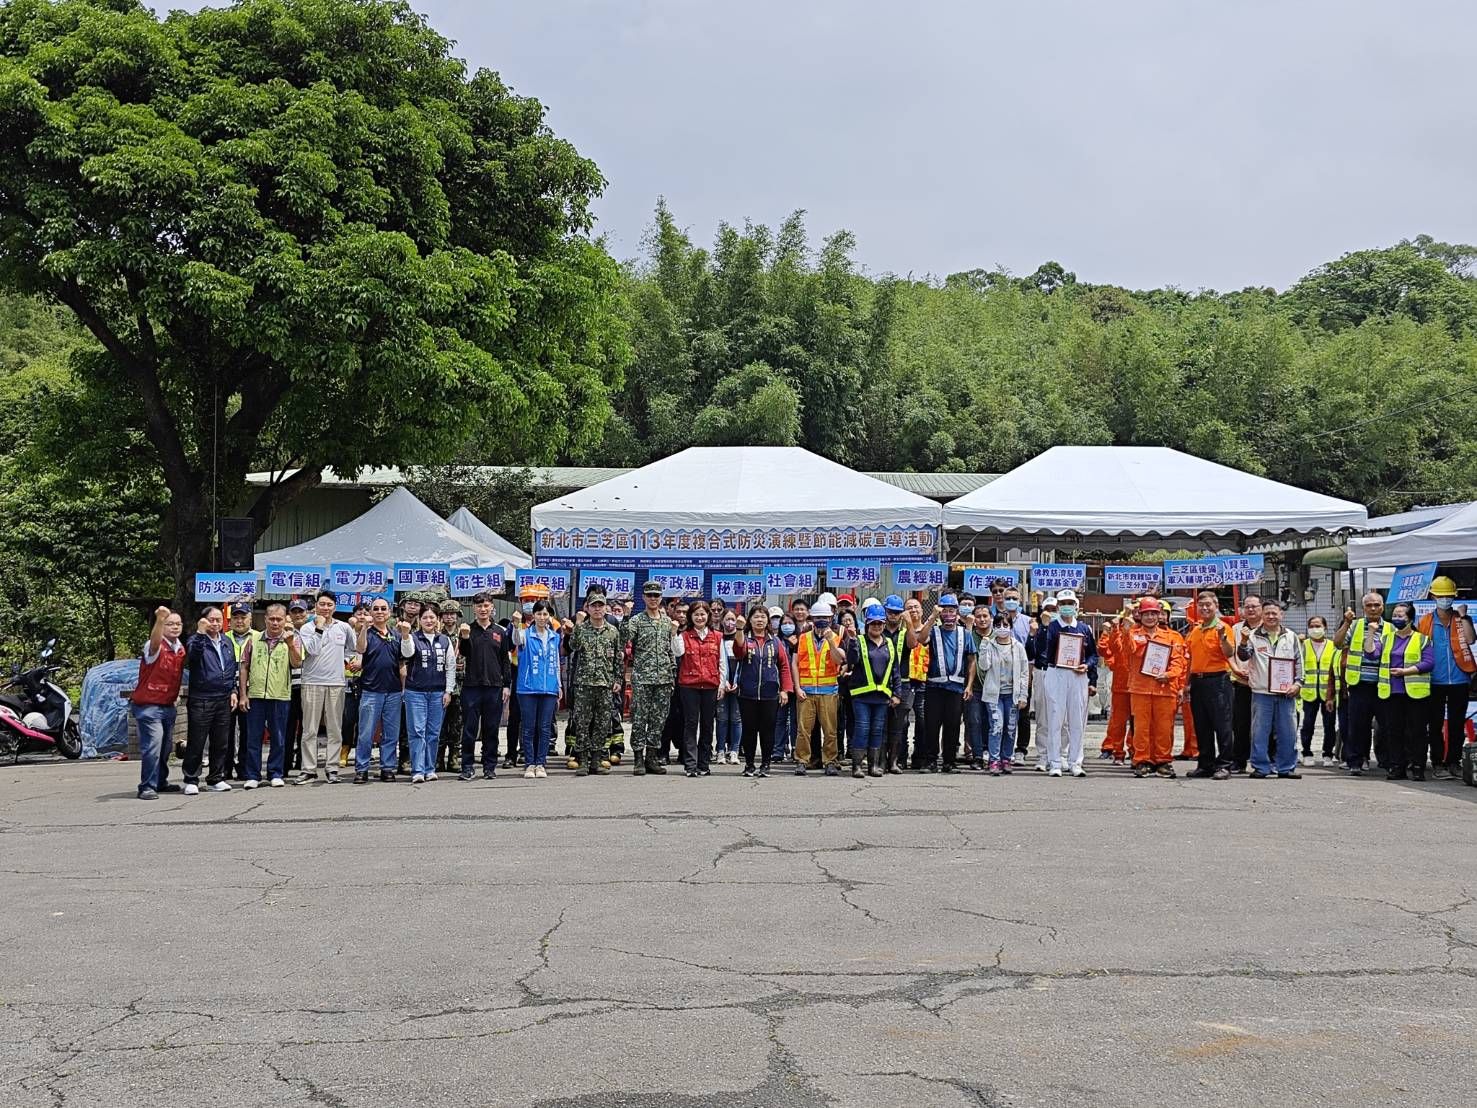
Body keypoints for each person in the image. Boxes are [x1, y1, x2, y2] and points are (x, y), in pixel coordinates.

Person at [236, 601, 303, 788]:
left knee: (279, 737)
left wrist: (290, 645)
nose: (275, 623)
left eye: (279, 619)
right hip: (256, 695)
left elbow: (297, 663)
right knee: (253, 737)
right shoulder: (254, 640)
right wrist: (243, 694)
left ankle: (275, 772)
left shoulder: (293, 639)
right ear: (265, 619)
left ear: (285, 621)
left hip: (280, 695)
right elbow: (244, 667)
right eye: (271, 619)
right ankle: (253, 774)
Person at [1416, 576, 1476, 780]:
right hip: (1434, 679)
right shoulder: (1424, 622)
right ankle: (1438, 762)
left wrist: (1464, 618)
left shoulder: (1461, 619)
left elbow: (1470, 639)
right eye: (1441, 596)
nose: (1445, 599)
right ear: (1433, 596)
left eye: (1449, 596)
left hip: (1459, 678)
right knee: (1434, 724)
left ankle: (1454, 762)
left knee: (1457, 724)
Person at [293, 590, 354, 785]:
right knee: (309, 729)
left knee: (335, 729)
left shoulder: (343, 627)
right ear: (316, 606)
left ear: (334, 607)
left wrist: (345, 660)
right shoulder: (307, 628)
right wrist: (319, 628)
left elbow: (353, 649)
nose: (325, 608)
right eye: (322, 604)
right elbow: (312, 650)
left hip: (336, 683)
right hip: (311, 682)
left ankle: (332, 767)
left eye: (329, 604)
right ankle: (309, 769)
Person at [1034, 590, 1097, 777]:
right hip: (1056, 673)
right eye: (1063, 603)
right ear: (1058, 606)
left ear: (1076, 606)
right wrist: (1044, 628)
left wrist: (1087, 666)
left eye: (1070, 603)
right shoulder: (1052, 627)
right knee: (1055, 718)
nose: (1067, 607)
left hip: (1077, 676)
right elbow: (1042, 650)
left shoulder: (1084, 629)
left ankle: (1075, 762)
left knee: (1077, 720)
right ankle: (1054, 762)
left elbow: (1093, 654)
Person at [1125, 597, 1187, 778]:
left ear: (1160, 615)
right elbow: (1128, 650)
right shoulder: (1134, 634)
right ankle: (1142, 760)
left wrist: (1168, 676)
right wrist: (1126, 629)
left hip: (1165, 689)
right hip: (1140, 689)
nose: (1150, 617)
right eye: (1146, 614)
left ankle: (1163, 761)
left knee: (1164, 727)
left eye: (1153, 613)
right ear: (1140, 616)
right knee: (1141, 728)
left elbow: (1178, 662)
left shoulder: (1172, 637)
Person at [1242, 599, 1304, 779]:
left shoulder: (1291, 636)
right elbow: (1244, 656)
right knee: (1260, 731)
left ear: (1281, 615)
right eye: (1267, 613)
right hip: (1261, 693)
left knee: (1288, 731)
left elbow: (1299, 661)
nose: (1270, 616)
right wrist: (1244, 641)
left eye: (1274, 613)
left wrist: (1298, 683)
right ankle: (1261, 767)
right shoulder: (1253, 636)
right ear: (1262, 615)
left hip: (1287, 693)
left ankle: (1285, 767)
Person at [180, 606, 239, 795]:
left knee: (220, 742)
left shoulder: (227, 642)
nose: (215, 623)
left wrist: (233, 690)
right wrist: (199, 632)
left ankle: (216, 777)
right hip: (202, 698)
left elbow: (231, 669)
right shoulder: (196, 640)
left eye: (218, 620)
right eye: (211, 620)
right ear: (203, 621)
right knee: (197, 741)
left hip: (223, 698)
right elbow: (193, 656)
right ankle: (191, 778)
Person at [566, 586, 623, 776]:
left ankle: (597, 759)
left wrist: (618, 680)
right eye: (594, 606)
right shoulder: (582, 629)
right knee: (582, 722)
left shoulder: (613, 632)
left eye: (601, 606)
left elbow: (618, 659)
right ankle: (582, 759)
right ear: (588, 608)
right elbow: (572, 646)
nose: (597, 609)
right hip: (584, 684)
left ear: (605, 608)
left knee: (602, 723)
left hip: (605, 685)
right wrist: (578, 627)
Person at [1333, 591, 1392, 775]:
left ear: (1382, 607)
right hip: (1359, 684)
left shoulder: (1391, 628)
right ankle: (1355, 762)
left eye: (1377, 605)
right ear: (1363, 607)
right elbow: (1337, 643)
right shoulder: (1356, 625)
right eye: (1369, 605)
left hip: (1383, 685)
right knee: (1357, 726)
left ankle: (1388, 762)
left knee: (1388, 725)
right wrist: (1346, 623)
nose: (1373, 608)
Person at [731, 604, 793, 777]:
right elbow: (738, 651)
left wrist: (785, 690)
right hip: (747, 694)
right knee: (749, 730)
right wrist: (739, 629)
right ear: (750, 620)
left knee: (768, 730)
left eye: (763, 617)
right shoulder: (746, 638)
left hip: (770, 694)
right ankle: (749, 764)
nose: (760, 620)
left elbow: (784, 667)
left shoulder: (775, 641)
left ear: (768, 621)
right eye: (756, 616)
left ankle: (766, 764)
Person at [131, 606, 186, 800]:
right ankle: (146, 786)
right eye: (170, 624)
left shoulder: (179, 648)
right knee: (153, 747)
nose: (174, 627)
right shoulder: (154, 645)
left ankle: (160, 781)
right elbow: (154, 645)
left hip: (168, 705)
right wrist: (160, 619)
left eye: (178, 624)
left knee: (165, 749)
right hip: (149, 706)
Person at [918, 593, 976, 774]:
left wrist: (969, 685)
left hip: (956, 687)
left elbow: (971, 659)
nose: (949, 615)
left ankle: (949, 761)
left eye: (952, 611)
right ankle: (931, 761)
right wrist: (932, 617)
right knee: (932, 725)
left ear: (957, 613)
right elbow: (921, 639)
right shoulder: (934, 630)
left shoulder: (964, 634)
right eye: (945, 611)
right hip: (935, 687)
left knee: (952, 726)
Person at [622, 581, 677, 775]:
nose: (653, 598)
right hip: (643, 678)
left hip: (663, 678)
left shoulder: (667, 622)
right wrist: (626, 617)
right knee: (639, 718)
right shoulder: (637, 620)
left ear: (661, 597)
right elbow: (623, 639)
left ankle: (651, 757)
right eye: (649, 595)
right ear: (644, 597)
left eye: (656, 595)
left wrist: (672, 673)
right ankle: (638, 758)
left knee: (658, 720)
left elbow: (669, 650)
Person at [457, 591, 512, 780]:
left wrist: (506, 685)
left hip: (494, 687)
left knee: (491, 729)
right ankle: (467, 766)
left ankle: (489, 766)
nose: (483, 609)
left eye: (486, 605)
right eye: (479, 606)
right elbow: (463, 653)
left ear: (491, 607)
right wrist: (463, 638)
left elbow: (505, 659)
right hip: (471, 687)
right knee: (470, 729)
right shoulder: (467, 630)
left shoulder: (499, 632)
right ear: (473, 608)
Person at [1380, 601, 1435, 781]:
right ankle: (1397, 767)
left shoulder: (1422, 639)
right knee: (1394, 731)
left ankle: (1418, 766)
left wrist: (1406, 671)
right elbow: (1372, 654)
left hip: (1415, 693)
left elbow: (1429, 663)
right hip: (1392, 692)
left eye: (1400, 615)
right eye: (1394, 615)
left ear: (1410, 618)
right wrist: (1372, 632)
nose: (1396, 618)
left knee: (1417, 732)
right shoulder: (1387, 638)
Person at [1184, 589, 1236, 780]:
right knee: (1201, 725)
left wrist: (1222, 638)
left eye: (1209, 605)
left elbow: (1229, 653)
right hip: (1198, 681)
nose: (1205, 608)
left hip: (1218, 681)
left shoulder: (1223, 628)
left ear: (1216, 607)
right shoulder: (1195, 631)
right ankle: (1205, 764)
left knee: (1222, 726)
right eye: (1201, 605)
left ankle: (1224, 765)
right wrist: (1186, 684)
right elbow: (1190, 659)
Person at [792, 599, 847, 776]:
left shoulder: (837, 637)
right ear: (812, 619)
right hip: (806, 691)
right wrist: (797, 687)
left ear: (831, 618)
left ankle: (830, 761)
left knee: (830, 730)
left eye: (825, 617)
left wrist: (831, 641)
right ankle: (802, 760)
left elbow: (839, 660)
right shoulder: (802, 638)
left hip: (828, 690)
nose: (821, 620)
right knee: (803, 730)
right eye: (818, 617)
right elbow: (795, 664)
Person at [844, 601, 899, 778]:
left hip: (881, 696)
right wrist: (852, 640)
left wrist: (896, 693)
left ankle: (873, 766)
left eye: (879, 623)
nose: (876, 626)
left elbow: (895, 670)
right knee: (862, 727)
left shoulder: (889, 643)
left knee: (877, 729)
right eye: (873, 623)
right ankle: (857, 766)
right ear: (867, 624)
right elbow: (852, 661)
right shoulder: (859, 640)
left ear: (884, 624)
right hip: (861, 695)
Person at [353, 597, 404, 783]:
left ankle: (388, 767)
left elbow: (402, 663)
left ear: (389, 612)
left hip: (394, 691)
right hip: (371, 691)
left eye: (383, 608)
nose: (380, 611)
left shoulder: (396, 635)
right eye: (376, 609)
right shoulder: (366, 632)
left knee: (390, 733)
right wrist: (364, 627)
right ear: (371, 612)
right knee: (366, 733)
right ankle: (362, 768)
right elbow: (360, 648)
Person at [402, 605, 456, 784]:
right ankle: (417, 770)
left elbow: (450, 667)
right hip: (415, 692)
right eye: (425, 617)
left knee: (433, 732)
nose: (429, 621)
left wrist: (448, 691)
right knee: (417, 731)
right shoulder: (413, 638)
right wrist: (405, 636)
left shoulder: (445, 640)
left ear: (437, 619)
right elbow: (406, 653)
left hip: (438, 693)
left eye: (432, 617)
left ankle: (429, 768)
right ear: (419, 619)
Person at [512, 600, 562, 776]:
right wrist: (516, 624)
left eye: (545, 614)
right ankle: (529, 763)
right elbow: (515, 640)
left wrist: (559, 685)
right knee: (528, 727)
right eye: (539, 614)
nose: (542, 617)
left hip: (549, 688)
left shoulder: (554, 637)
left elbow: (556, 662)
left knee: (544, 727)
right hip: (527, 688)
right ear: (533, 615)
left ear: (550, 617)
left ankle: (540, 763)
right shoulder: (525, 634)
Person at [674, 600, 722, 777]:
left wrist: (722, 684)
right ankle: (690, 765)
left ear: (708, 616)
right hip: (689, 685)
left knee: (708, 725)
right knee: (691, 724)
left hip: (711, 685)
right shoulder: (684, 635)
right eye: (696, 614)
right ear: (690, 617)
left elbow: (722, 662)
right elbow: (678, 652)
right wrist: (674, 633)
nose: (700, 617)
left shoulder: (717, 636)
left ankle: (704, 763)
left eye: (703, 614)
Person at [1096, 605, 1143, 765]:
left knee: (1138, 723)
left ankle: (1135, 751)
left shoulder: (1142, 633)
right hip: (1121, 685)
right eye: (1132, 611)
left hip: (1138, 685)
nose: (1135, 614)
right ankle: (1118, 753)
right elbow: (1112, 647)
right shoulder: (1120, 630)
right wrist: (1116, 628)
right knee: (1118, 722)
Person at [881, 594, 921, 775]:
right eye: (890, 612)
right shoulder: (878, 629)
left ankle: (894, 761)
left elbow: (913, 644)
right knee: (881, 725)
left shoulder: (905, 632)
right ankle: (880, 761)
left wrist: (909, 623)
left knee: (899, 726)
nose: (893, 615)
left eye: (897, 612)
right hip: (881, 684)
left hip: (903, 684)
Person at [985, 619, 1029, 775]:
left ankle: (1006, 758)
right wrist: (984, 649)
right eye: (998, 626)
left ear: (1011, 627)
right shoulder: (989, 645)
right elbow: (984, 666)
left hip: (1012, 694)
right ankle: (994, 760)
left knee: (1010, 728)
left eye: (1005, 625)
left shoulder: (1018, 647)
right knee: (996, 726)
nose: (1002, 629)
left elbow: (1024, 672)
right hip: (994, 694)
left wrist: (1023, 695)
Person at [1228, 594, 1263, 772]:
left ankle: (1265, 760)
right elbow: (1229, 654)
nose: (1250, 609)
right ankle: (1239, 760)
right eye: (1247, 606)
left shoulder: (1268, 629)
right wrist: (1235, 669)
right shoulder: (1235, 629)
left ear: (1261, 608)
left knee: (1264, 726)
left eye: (1254, 606)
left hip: (1263, 685)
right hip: (1240, 683)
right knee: (1240, 724)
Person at [1298, 615, 1338, 768]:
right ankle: (1306, 753)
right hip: (1308, 692)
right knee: (1308, 724)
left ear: (1325, 627)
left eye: (1318, 626)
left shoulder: (1332, 645)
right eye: (1312, 626)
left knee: (1329, 724)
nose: (1315, 629)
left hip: (1328, 693)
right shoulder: (1303, 644)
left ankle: (1328, 753)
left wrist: (1332, 693)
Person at [224, 603, 256, 778]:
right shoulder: (223, 638)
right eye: (235, 617)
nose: (239, 621)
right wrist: (231, 690)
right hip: (227, 692)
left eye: (243, 617)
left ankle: (244, 767)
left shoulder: (259, 638)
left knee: (248, 732)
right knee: (225, 732)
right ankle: (225, 768)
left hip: (250, 691)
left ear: (250, 618)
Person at [963, 607, 995, 770]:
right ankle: (977, 756)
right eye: (978, 616)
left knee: (992, 722)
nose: (982, 619)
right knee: (974, 721)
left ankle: (991, 754)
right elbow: (968, 659)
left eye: (985, 616)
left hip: (994, 688)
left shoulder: (998, 636)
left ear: (991, 618)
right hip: (974, 687)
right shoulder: (969, 636)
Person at [284, 597, 310, 773]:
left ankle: (303, 763)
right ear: (289, 615)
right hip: (287, 687)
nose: (298, 614)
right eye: (294, 612)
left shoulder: (313, 632)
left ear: (307, 613)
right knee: (287, 727)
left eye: (301, 611)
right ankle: (284, 764)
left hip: (308, 685)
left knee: (307, 728)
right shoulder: (284, 633)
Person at [437, 600, 464, 773]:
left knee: (457, 723)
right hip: (440, 684)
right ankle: (438, 758)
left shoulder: (463, 633)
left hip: (460, 685)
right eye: (446, 614)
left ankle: (454, 756)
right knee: (439, 724)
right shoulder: (437, 634)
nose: (449, 617)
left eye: (452, 614)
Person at [715, 611, 743, 764]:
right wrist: (723, 681)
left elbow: (743, 660)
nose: (730, 622)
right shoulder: (718, 638)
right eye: (727, 619)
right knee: (722, 718)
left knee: (736, 719)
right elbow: (718, 662)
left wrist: (737, 681)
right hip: (722, 683)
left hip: (738, 684)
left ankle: (734, 751)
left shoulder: (741, 638)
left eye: (733, 619)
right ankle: (720, 750)